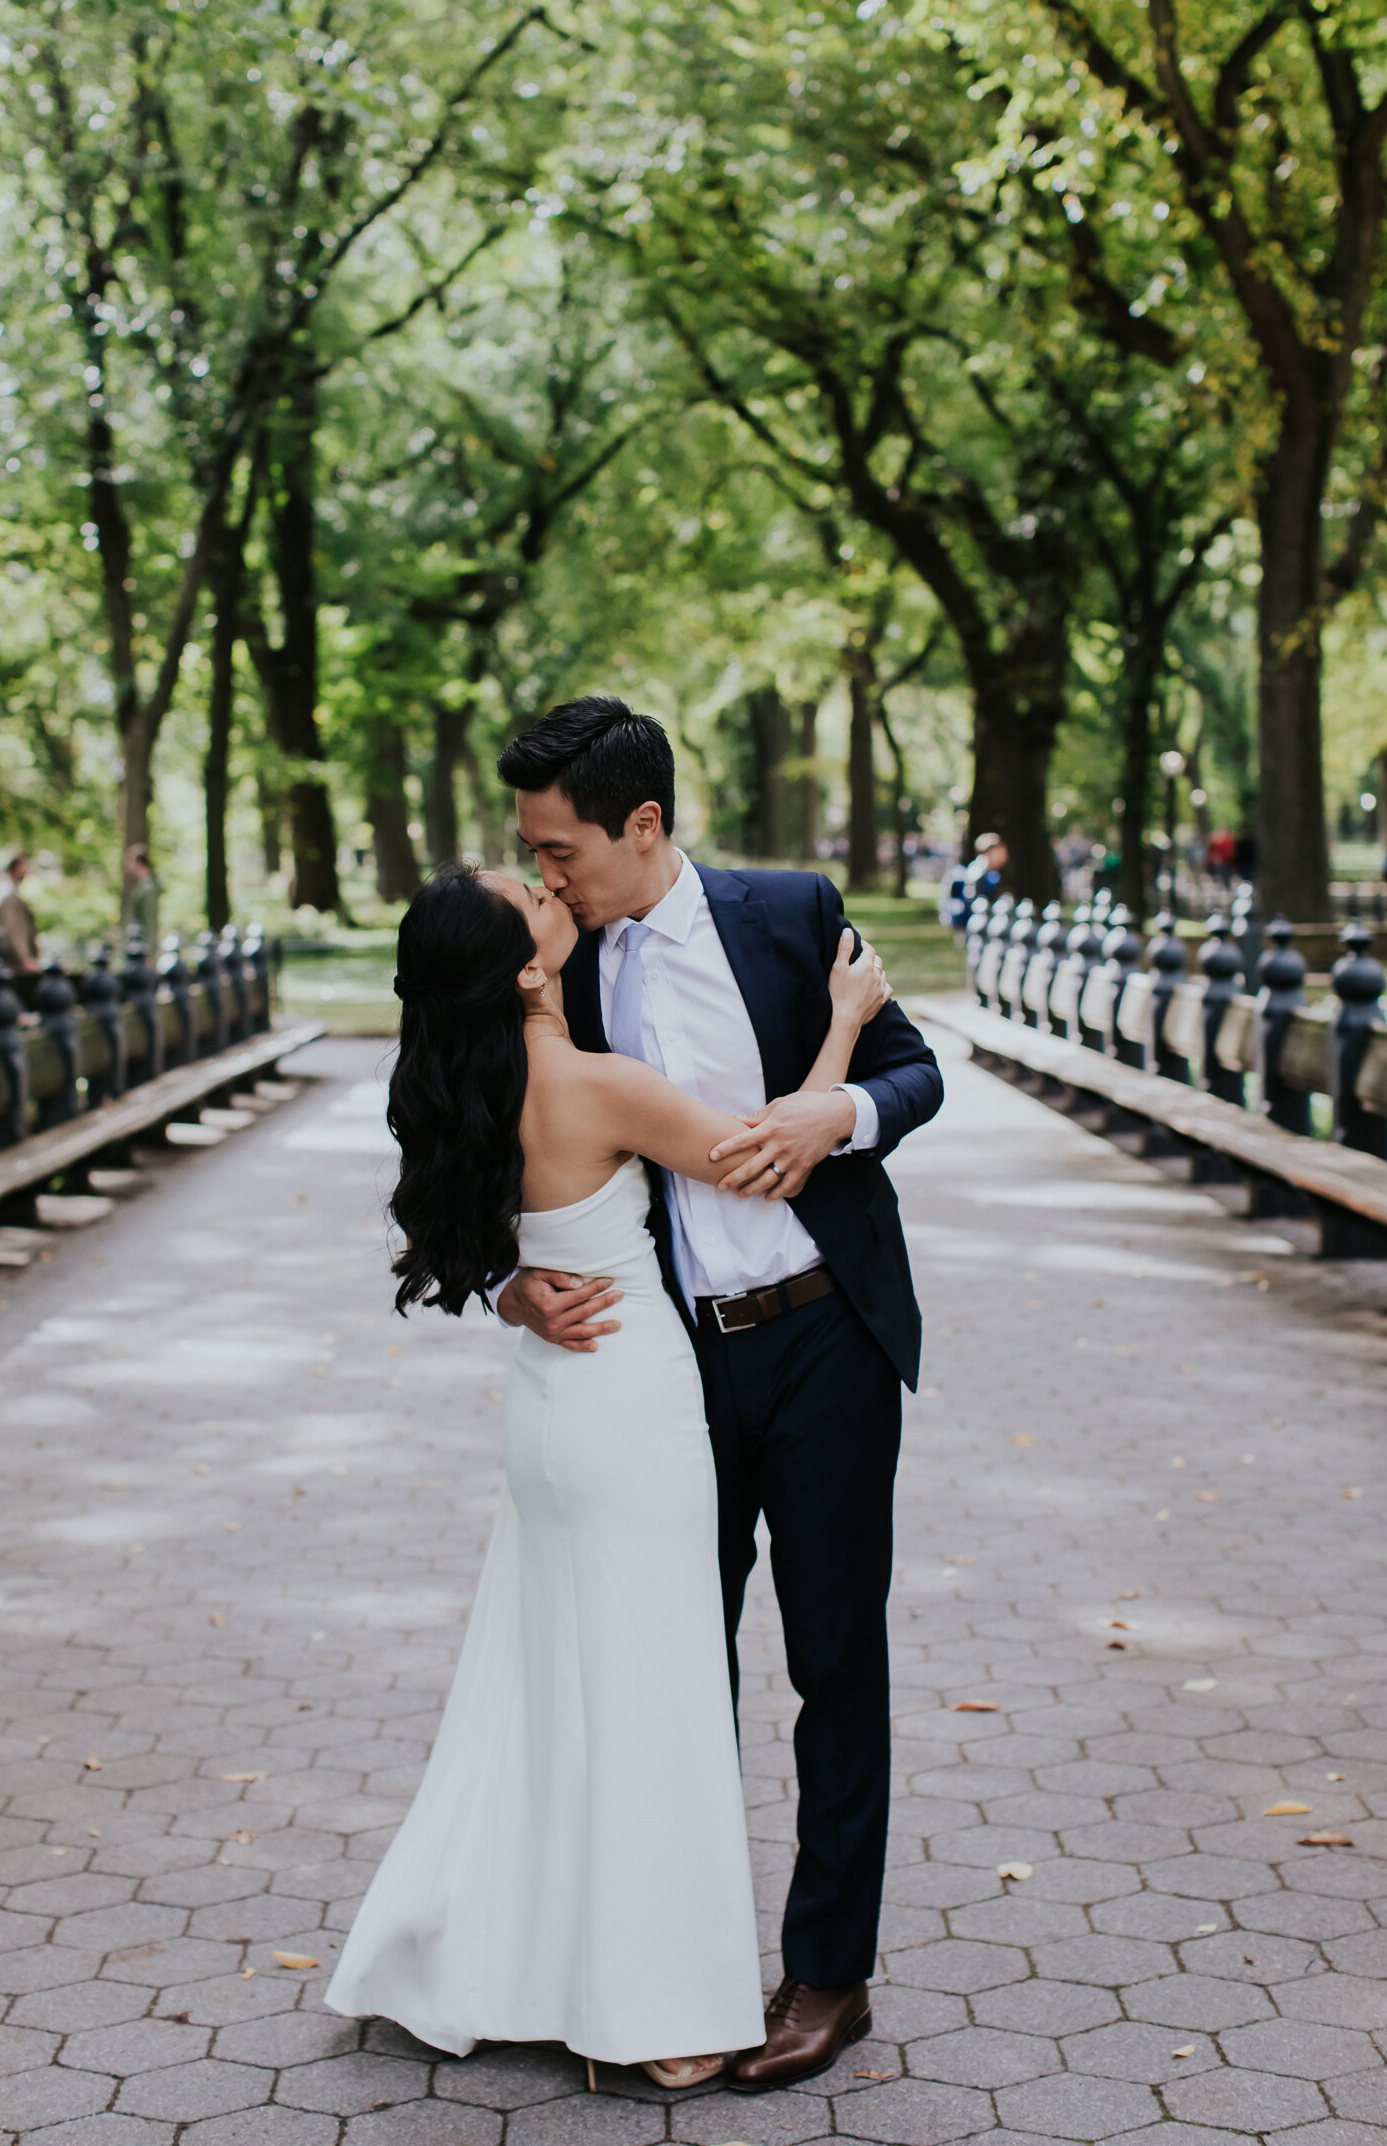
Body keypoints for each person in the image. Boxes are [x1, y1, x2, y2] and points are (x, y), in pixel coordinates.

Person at [325, 863, 894, 2091]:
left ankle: (525, 1954)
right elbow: (761, 1158)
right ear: (527, 968)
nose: (548, 887)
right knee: (648, 1697)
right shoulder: (597, 1083)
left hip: (546, 1410)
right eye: (527, 896)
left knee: (546, 1689)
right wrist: (843, 1024)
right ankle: (651, 2012)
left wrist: (506, 1285)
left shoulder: (463, 1084)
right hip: (631, 1402)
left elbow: (456, 1222)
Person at [491, 698, 943, 2092]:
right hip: (666, 1368)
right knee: (668, 1664)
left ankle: (828, 1975)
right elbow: (489, 1151)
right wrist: (510, 1284)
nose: (543, 879)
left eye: (560, 850)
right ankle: (653, 1966)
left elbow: (914, 1072)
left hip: (826, 1342)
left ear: (643, 826)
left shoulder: (791, 913)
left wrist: (841, 1112)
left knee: (831, 1661)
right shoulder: (554, 974)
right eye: (530, 854)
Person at [0, 852, 40, 973]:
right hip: (14, 960)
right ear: (15, 868)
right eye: (24, 866)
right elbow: (12, 928)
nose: (27, 871)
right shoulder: (7, 894)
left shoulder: (12, 891)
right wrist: (24, 958)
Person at [122, 842, 161, 955]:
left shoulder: (147, 888)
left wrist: (150, 952)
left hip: (142, 951)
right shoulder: (141, 887)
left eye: (129, 862)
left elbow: (150, 922)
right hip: (136, 949)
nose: (127, 867)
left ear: (138, 863)